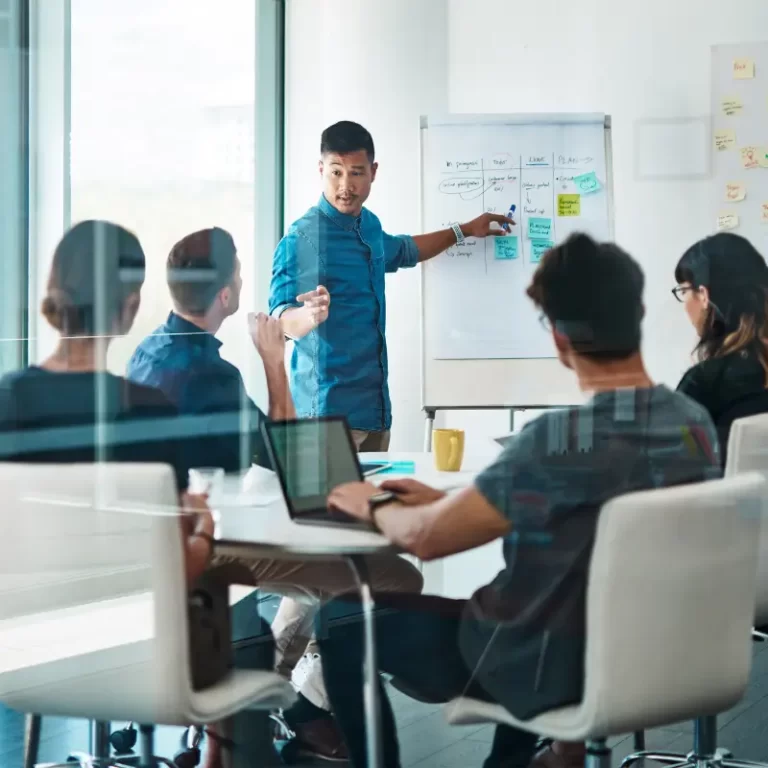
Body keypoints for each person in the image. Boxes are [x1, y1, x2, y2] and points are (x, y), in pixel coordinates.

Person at [309, 234, 721, 768]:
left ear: (558, 339)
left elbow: (427, 539)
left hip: (542, 658)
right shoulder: (691, 422)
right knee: (545, 608)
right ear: (639, 313)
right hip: (657, 650)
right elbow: (591, 519)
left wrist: (371, 502)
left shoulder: (557, 439)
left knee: (338, 619)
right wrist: (453, 499)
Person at [128, 226, 423, 762]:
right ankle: (305, 706)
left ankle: (267, 703)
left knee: (329, 570)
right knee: (393, 576)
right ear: (224, 296)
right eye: (238, 274)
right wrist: (273, 358)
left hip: (166, 548)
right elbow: (287, 456)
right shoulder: (210, 376)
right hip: (214, 552)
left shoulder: (150, 353)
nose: (244, 281)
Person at [0, 219, 216, 639]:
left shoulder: (7, 400)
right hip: (130, 651)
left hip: (17, 652)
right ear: (130, 307)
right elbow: (178, 571)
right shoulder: (148, 413)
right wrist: (204, 524)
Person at [269, 120, 514, 451]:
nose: (345, 185)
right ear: (321, 170)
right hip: (325, 418)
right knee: (329, 505)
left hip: (375, 413)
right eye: (335, 172)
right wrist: (307, 316)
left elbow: (404, 250)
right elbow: (280, 321)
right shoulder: (302, 238)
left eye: (356, 172)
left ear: (373, 171)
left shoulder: (369, 226)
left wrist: (466, 230)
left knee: (376, 503)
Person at [674, 233, 768, 465]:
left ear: (704, 295)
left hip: (734, 501)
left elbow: (674, 467)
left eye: (684, 291)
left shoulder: (704, 385)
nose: (684, 302)